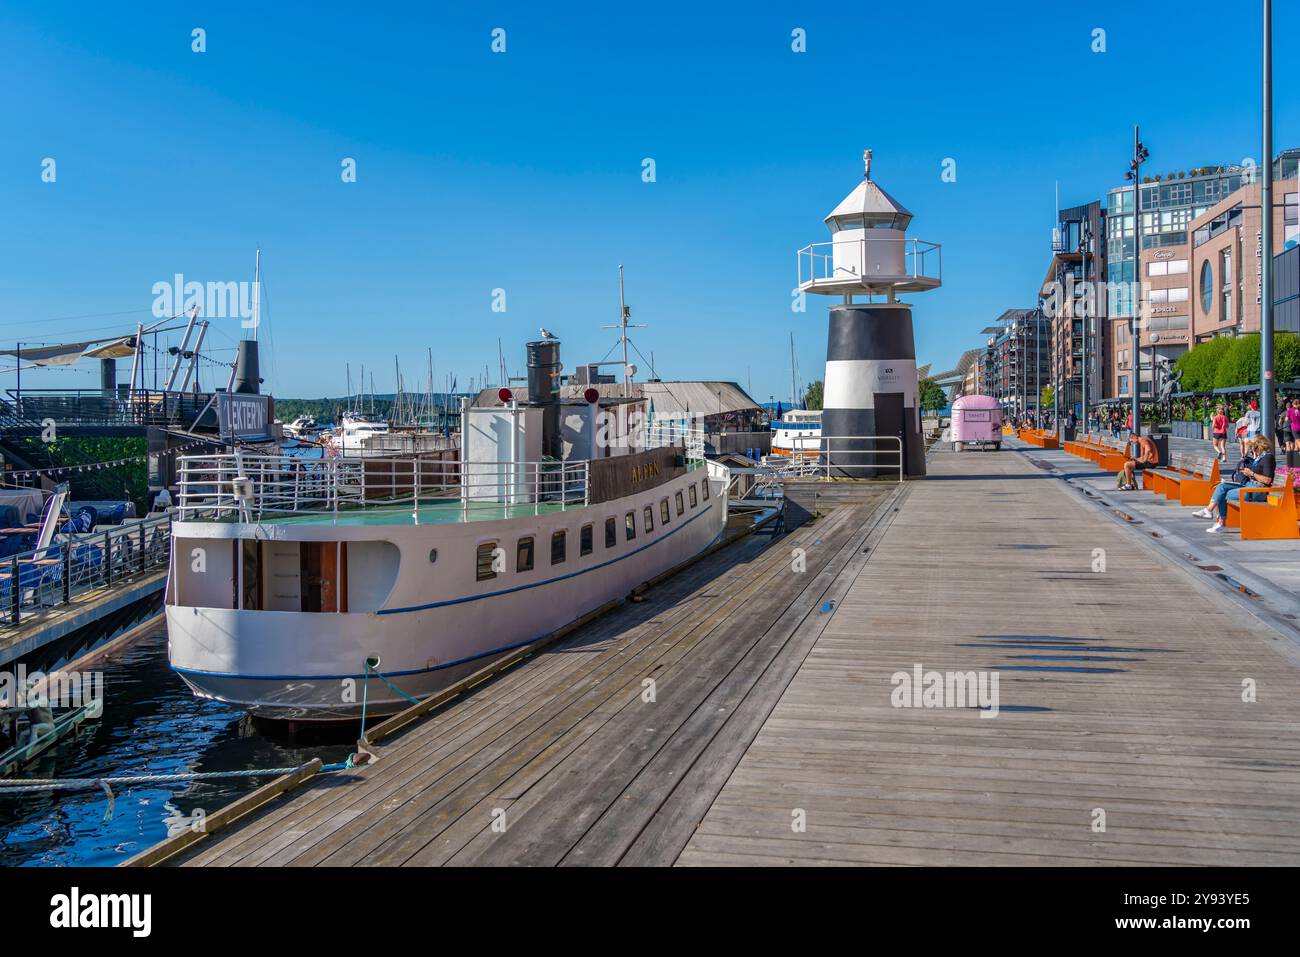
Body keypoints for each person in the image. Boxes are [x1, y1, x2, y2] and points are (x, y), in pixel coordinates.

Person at [1193, 434, 1276, 533]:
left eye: (1253, 448)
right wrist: (1248, 473)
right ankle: (1209, 511)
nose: (1252, 450)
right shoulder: (1259, 458)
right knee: (1221, 486)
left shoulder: (1268, 458)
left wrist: (1252, 473)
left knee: (1222, 494)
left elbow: (1267, 480)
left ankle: (1219, 521)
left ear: (1259, 446)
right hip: (1250, 485)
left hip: (1258, 490)